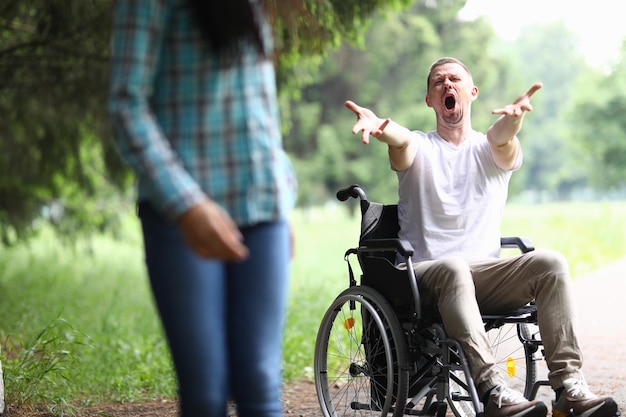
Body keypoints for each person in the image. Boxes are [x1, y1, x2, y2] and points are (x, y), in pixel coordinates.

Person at [345, 57, 620, 417]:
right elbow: (400, 142)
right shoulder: (417, 147)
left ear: (471, 93)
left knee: (551, 263)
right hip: (426, 276)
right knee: (455, 268)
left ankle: (569, 387)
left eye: (454, 79)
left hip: (484, 276)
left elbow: (501, 138)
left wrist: (514, 120)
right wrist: (382, 127)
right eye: (438, 81)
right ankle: (493, 390)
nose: (447, 84)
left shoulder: (490, 150)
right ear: (429, 99)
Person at [107, 1, 297, 416]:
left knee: (261, 386)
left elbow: (258, 107)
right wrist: (187, 203)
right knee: (205, 394)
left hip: (264, 211)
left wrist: (281, 198)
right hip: (182, 218)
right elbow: (126, 104)